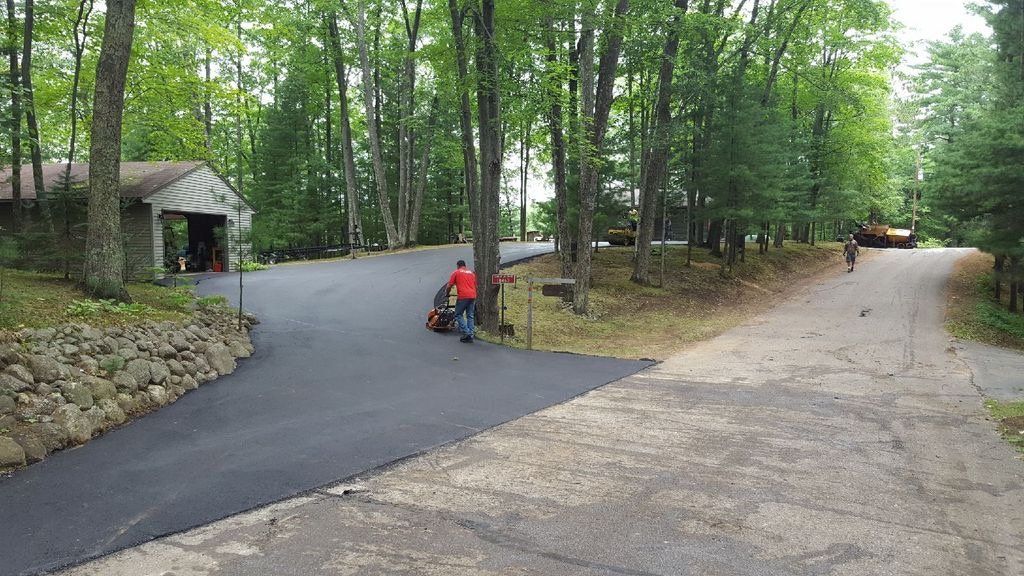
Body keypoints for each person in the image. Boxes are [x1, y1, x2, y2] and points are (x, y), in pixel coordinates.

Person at [447, 259, 477, 343]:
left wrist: (447, 293)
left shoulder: (456, 272)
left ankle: (467, 333)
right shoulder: (471, 273)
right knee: (470, 315)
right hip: (473, 295)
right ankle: (471, 335)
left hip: (463, 296)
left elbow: (449, 285)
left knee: (458, 314)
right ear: (465, 265)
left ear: (458, 265)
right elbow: (475, 285)